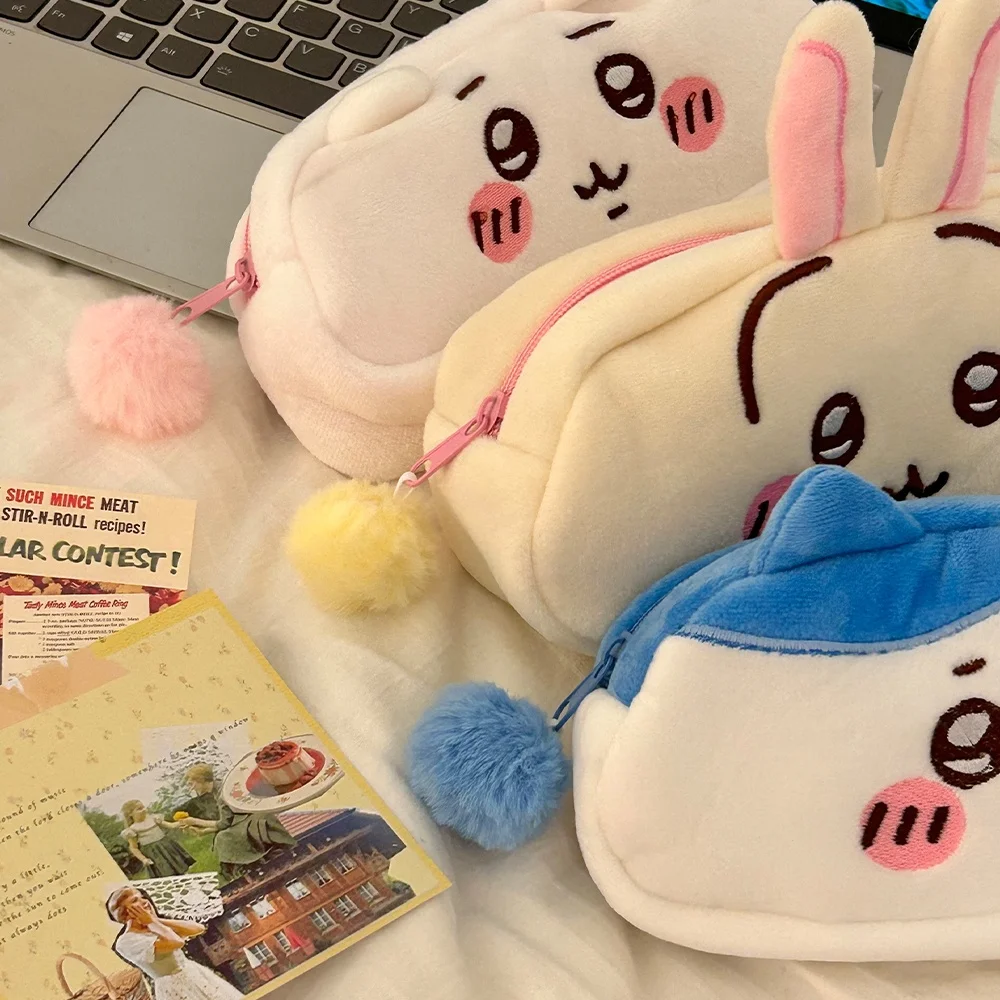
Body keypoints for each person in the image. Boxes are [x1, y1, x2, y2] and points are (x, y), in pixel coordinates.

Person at [107, 886, 242, 999]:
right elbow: (176, 942)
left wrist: (156, 921)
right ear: (125, 913)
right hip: (174, 987)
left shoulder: (152, 925)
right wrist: (152, 922)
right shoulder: (126, 942)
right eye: (135, 900)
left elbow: (198, 928)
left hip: (193, 973)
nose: (145, 902)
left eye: (142, 897)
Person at [178, 764, 297, 881]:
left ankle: (248, 866)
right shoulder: (218, 788)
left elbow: (224, 824)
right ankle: (247, 867)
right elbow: (228, 821)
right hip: (245, 817)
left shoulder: (222, 793)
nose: (192, 788)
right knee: (221, 836)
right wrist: (203, 831)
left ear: (202, 780)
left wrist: (195, 821)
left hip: (253, 817)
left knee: (223, 838)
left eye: (192, 784)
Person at [121, 801, 194, 880]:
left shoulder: (153, 819)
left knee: (179, 865)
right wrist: (143, 859)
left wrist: (183, 822)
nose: (144, 810)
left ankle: (187, 878)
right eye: (139, 809)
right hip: (153, 853)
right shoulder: (132, 830)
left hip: (166, 846)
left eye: (143, 807)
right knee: (165, 871)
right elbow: (134, 848)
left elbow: (171, 825)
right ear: (130, 814)